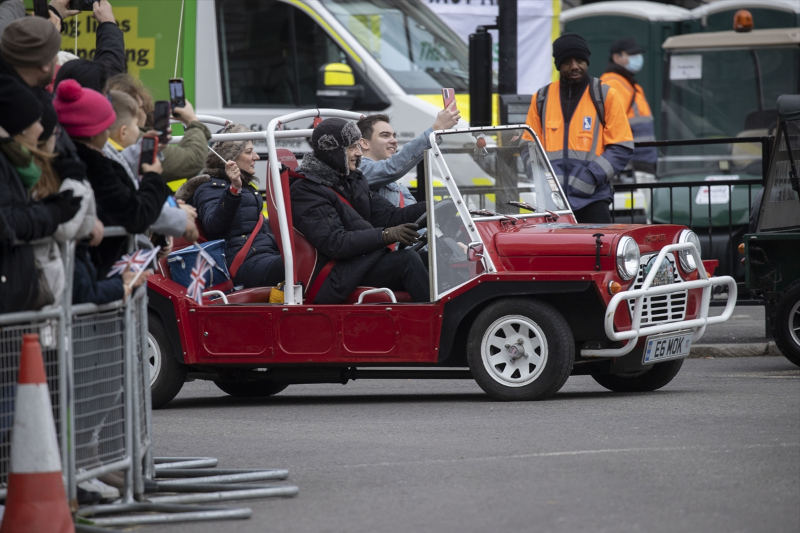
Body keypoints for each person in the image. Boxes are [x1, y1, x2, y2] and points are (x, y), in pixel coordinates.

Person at [291, 118, 429, 304]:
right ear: (332, 151)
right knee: (407, 260)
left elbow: (389, 216)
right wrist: (386, 235)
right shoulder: (306, 190)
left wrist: (430, 207)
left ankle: (459, 316)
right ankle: (442, 320)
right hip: (337, 273)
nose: (358, 152)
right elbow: (335, 242)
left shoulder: (352, 179)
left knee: (432, 259)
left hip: (363, 262)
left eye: (358, 145)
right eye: (351, 147)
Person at [53, 79, 170, 276]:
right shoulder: (95, 167)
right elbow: (135, 214)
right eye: (106, 128)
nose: (109, 135)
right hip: (102, 272)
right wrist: (153, 177)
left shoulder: (66, 156)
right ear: (93, 133)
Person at [523, 33, 633, 223]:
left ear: (587, 61)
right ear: (558, 65)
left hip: (593, 200)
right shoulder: (541, 98)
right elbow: (528, 147)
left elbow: (622, 147)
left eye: (579, 60)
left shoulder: (606, 95)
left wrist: (589, 178)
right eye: (567, 62)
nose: (574, 66)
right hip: (552, 203)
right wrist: (543, 182)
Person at [0, 74, 81, 312]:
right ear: (21, 127)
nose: (41, 129)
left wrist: (49, 208)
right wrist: (53, 213)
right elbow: (8, 221)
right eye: (36, 122)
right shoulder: (5, 164)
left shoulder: (19, 165)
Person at [176, 123, 285, 289]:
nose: (256, 157)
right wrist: (233, 190)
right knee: (298, 265)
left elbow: (260, 231)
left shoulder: (246, 187)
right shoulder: (209, 187)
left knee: (309, 259)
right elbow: (214, 226)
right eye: (249, 152)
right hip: (243, 265)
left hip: (265, 257)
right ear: (229, 159)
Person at [103, 89, 198, 244]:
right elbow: (132, 206)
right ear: (123, 132)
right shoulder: (105, 162)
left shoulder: (107, 154)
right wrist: (179, 217)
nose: (139, 130)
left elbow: (123, 163)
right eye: (136, 126)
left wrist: (143, 148)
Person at [107, 74, 213, 187]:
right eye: (142, 107)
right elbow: (191, 160)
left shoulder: (106, 147)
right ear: (123, 131)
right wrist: (192, 120)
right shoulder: (131, 140)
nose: (146, 111)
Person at [357, 108, 460, 207]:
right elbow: (392, 167)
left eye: (394, 136)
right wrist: (435, 129)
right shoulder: (359, 170)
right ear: (364, 143)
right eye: (385, 135)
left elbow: (411, 212)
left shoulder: (396, 183)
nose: (394, 141)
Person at [601, 37, 657, 174]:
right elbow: (609, 128)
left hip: (641, 163)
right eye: (631, 54)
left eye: (637, 54)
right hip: (630, 166)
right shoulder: (612, 84)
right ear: (616, 58)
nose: (637, 58)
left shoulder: (629, 84)